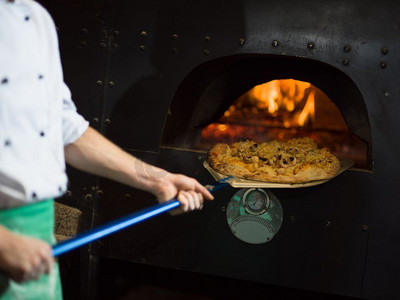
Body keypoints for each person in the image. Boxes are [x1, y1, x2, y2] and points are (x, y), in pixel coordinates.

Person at [0, 0, 214, 298]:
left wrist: (158, 179)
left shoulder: (34, 17)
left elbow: (63, 128)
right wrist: (4, 244)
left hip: (36, 232)